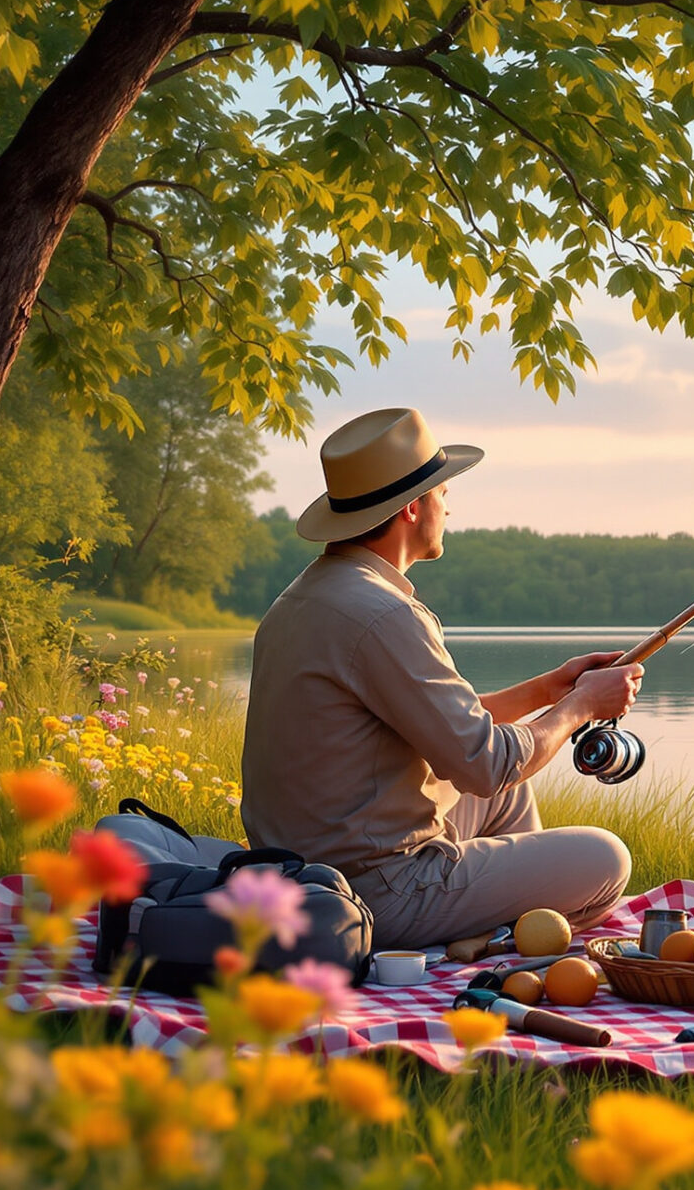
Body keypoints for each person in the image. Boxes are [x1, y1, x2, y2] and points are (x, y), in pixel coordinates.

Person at [239, 406, 643, 949]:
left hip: (302, 868)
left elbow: (452, 732)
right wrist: (581, 709)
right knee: (606, 859)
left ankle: (514, 932)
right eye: (442, 491)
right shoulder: (383, 615)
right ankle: (494, 941)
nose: (449, 505)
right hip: (364, 893)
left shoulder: (308, 596)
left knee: (506, 797)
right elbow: (488, 762)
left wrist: (553, 689)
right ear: (411, 508)